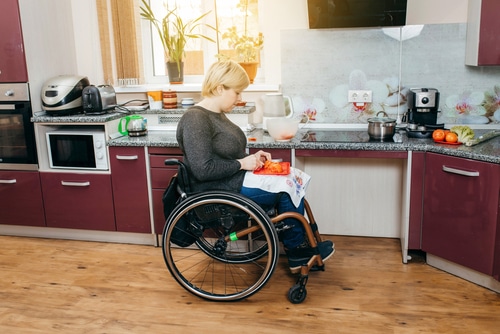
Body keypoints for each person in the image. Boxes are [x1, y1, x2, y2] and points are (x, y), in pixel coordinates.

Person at [176, 60, 334, 273]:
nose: (240, 99)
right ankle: (298, 251)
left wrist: (251, 157)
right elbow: (202, 169)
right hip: (219, 190)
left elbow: (225, 153)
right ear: (220, 87)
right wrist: (242, 163)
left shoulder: (216, 115)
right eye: (238, 92)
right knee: (285, 189)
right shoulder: (196, 119)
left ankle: (303, 245)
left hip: (233, 181)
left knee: (291, 176)